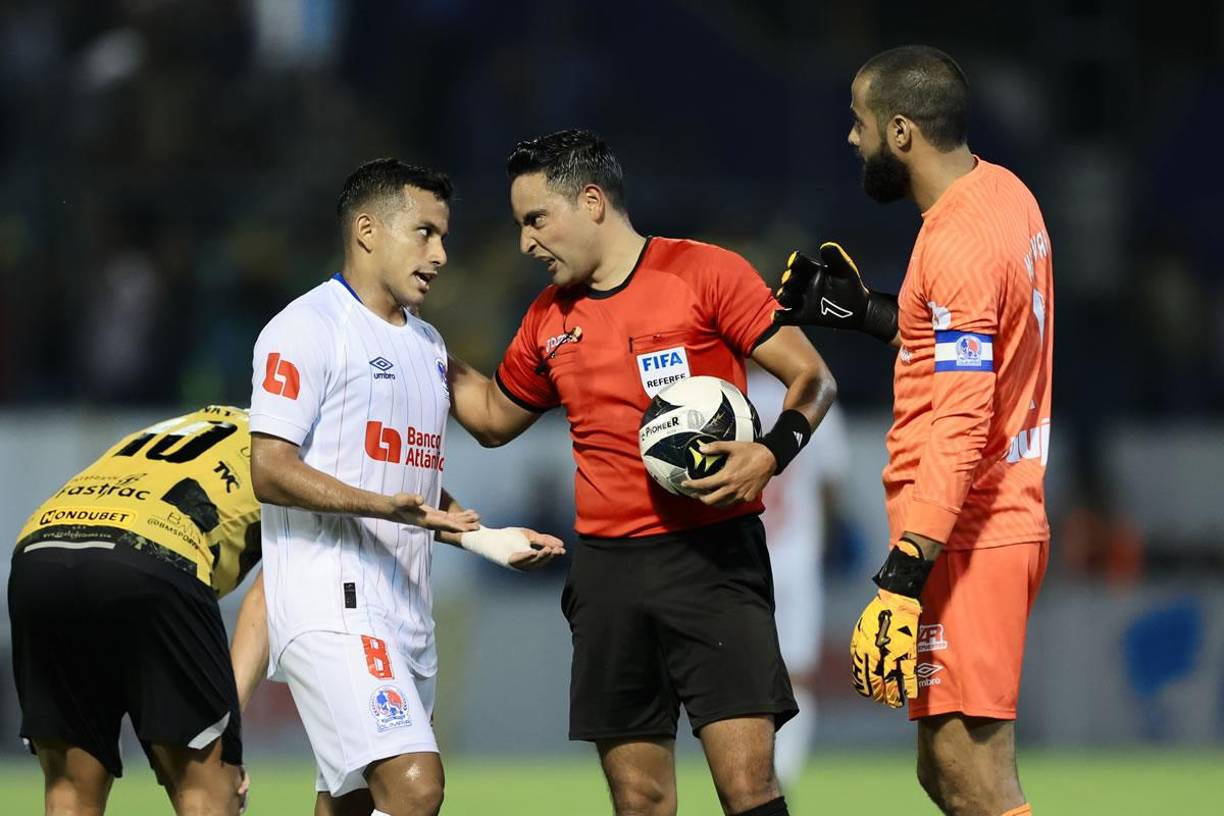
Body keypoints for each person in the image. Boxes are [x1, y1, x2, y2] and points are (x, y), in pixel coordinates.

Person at [446, 130, 837, 816]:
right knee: (640, 797)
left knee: (748, 788)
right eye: (518, 226)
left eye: (536, 219)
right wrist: (417, 340)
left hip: (713, 559)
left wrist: (772, 451)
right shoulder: (546, 320)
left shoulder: (706, 273)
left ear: (591, 202)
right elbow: (487, 417)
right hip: (607, 575)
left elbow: (813, 377)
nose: (525, 243)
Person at [775, 46, 1053, 816]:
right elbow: (956, 337)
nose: (852, 141)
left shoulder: (958, 242)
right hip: (979, 522)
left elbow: (962, 420)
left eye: (859, 125)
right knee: (944, 769)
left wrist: (904, 571)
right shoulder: (1002, 194)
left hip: (974, 530)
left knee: (974, 774)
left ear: (901, 132)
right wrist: (855, 310)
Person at [249, 158, 565, 816]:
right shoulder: (306, 328)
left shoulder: (426, 345)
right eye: (425, 232)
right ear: (367, 230)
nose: (442, 254)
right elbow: (270, 468)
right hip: (330, 598)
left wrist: (485, 541)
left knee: (353, 803)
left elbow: (410, 484)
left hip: (404, 609)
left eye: (444, 236)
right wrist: (378, 506)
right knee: (417, 786)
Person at [9, 404, 261, 816]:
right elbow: (269, 600)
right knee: (208, 792)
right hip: (156, 549)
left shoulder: (195, 420)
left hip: (42, 548)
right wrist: (226, 724)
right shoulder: (306, 448)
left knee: (69, 790)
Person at [746, 367, 850, 788]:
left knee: (748, 674)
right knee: (797, 672)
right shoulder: (810, 389)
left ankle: (762, 773)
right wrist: (827, 540)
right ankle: (779, 773)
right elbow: (832, 483)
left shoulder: (720, 391)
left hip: (743, 553)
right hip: (796, 553)